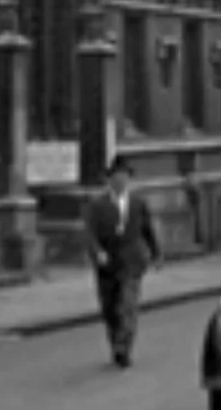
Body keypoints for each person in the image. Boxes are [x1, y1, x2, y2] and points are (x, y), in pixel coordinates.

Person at [83, 156, 161, 367]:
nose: (120, 181)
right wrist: (97, 252)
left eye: (124, 177)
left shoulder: (138, 203)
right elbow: (89, 233)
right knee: (110, 308)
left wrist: (155, 254)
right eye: (116, 177)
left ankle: (124, 346)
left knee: (128, 304)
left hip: (132, 261)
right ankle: (115, 341)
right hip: (108, 263)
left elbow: (147, 230)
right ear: (109, 180)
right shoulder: (97, 205)